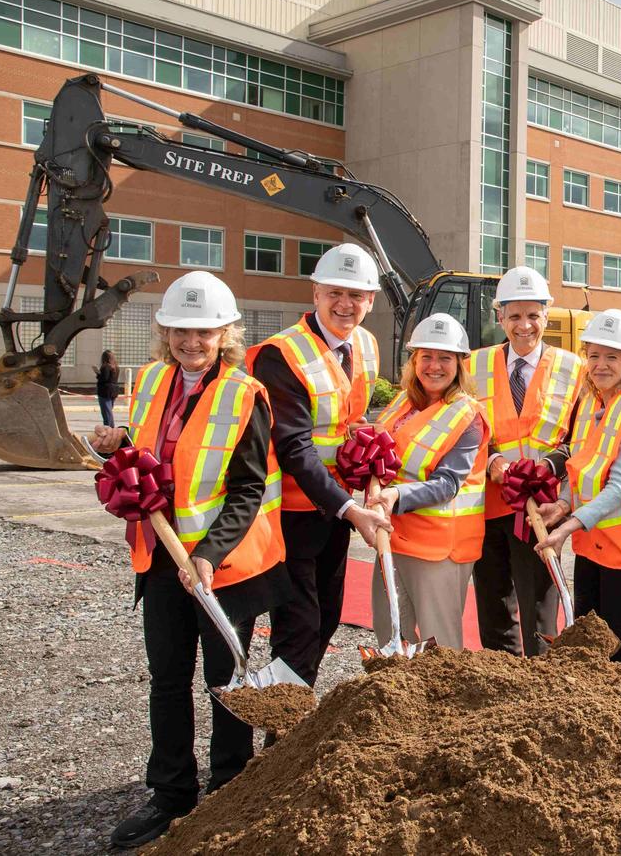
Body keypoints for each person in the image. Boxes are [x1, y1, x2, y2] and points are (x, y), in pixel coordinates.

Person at [89, 272, 290, 849]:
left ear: (226, 332)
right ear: (166, 331)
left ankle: (229, 788)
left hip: (220, 565)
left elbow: (250, 489)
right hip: (158, 558)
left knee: (225, 679)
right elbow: (149, 444)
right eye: (180, 329)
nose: (190, 340)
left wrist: (207, 553)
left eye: (203, 331)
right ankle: (171, 793)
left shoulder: (245, 394)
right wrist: (117, 444)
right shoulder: (153, 379)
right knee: (168, 678)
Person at [247, 243, 387, 686]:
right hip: (290, 514)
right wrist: (350, 507)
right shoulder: (281, 354)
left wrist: (367, 450)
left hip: (333, 512)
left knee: (326, 618)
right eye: (334, 293)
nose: (344, 304)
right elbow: (294, 446)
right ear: (315, 293)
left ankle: (293, 715)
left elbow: (348, 417)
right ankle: (280, 738)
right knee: (298, 627)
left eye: (356, 295)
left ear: (371, 301)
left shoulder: (364, 343)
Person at [534, 310, 621, 663]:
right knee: (587, 634)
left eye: (611, 356)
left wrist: (568, 526)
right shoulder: (592, 404)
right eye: (594, 355)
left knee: (619, 643)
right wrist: (563, 504)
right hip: (594, 542)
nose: (601, 364)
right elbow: (581, 468)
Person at [466, 266, 583, 655]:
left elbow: (583, 438)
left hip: (541, 508)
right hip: (488, 504)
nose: (524, 325)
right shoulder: (473, 365)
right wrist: (491, 459)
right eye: (514, 315)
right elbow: (461, 428)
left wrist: (550, 465)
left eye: (533, 315)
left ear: (546, 315)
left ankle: (539, 686)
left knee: (538, 609)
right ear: (499, 317)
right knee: (493, 603)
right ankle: (503, 681)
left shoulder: (574, 368)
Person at [366, 313, 488, 650]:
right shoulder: (403, 402)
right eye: (426, 356)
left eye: (445, 358)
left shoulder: (467, 415)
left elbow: (448, 484)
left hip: (439, 548)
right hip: (392, 536)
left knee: (440, 647)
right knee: (390, 634)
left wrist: (393, 496)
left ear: (460, 364)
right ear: (414, 360)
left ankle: (446, 704)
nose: (434, 366)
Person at [97, 349, 119, 427]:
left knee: (106, 413)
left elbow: (104, 379)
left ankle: (109, 429)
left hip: (105, 391)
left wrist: (98, 374)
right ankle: (111, 428)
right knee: (109, 412)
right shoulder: (116, 367)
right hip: (113, 391)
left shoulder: (105, 367)